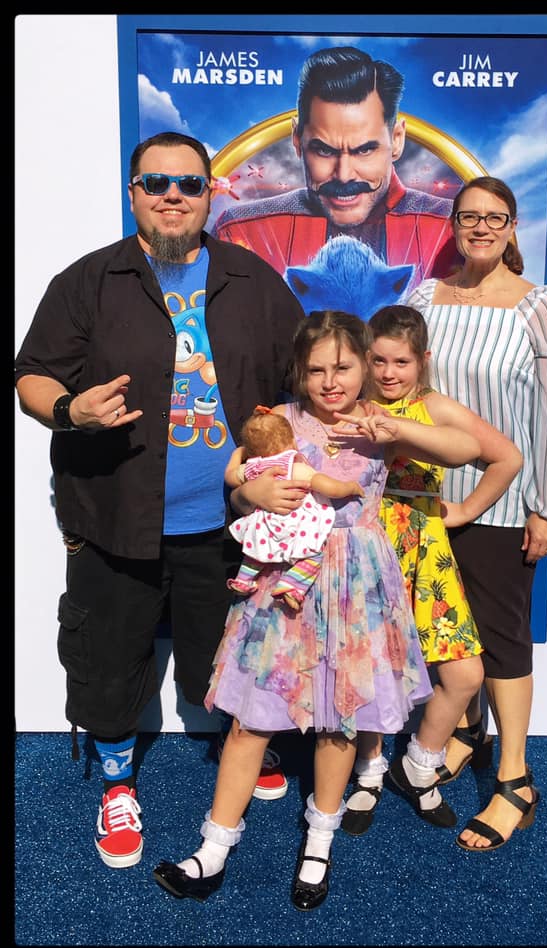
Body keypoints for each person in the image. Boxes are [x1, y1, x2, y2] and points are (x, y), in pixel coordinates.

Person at [14, 131, 306, 870]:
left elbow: (302, 380)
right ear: (134, 193)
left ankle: (247, 747)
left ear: (212, 194)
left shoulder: (252, 279)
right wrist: (69, 411)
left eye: (188, 184)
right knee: (110, 659)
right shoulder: (89, 281)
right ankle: (117, 783)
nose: (173, 195)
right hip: (114, 517)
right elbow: (33, 375)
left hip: (231, 525)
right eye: (156, 183)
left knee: (228, 655)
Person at [151, 310, 483, 910]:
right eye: (317, 370)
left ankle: (319, 846)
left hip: (356, 591)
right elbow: (233, 474)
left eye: (345, 367)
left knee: (340, 722)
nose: (332, 382)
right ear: (299, 373)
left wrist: (394, 433)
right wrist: (250, 492)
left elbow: (468, 449)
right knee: (251, 721)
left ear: (363, 367)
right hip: (282, 587)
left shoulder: (384, 421)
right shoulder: (279, 419)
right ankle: (214, 848)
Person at [406, 175, 547, 851]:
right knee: (450, 637)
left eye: (494, 217)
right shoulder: (424, 298)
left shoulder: (540, 309)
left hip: (506, 505)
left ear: (512, 229)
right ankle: (466, 733)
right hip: (429, 501)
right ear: (453, 224)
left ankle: (514, 779)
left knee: (502, 638)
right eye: (468, 216)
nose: (480, 227)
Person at [340, 304, 523, 836]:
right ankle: (369, 770)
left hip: (426, 545)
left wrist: (465, 511)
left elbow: (505, 457)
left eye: (401, 361)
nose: (388, 372)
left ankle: (419, 764)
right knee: (371, 666)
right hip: (369, 546)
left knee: (465, 673)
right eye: (378, 360)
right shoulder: (350, 404)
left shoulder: (436, 407)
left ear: (423, 360)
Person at [214, 46, 458, 285]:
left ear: (397, 140)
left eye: (364, 150)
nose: (344, 175)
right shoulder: (241, 231)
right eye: (324, 150)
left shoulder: (454, 229)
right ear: (297, 139)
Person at [224, 404, 364, 608]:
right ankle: (291, 585)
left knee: (256, 549)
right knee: (313, 553)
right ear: (291, 441)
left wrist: (238, 453)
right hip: (292, 522)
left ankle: (243, 580)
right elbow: (328, 487)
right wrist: (349, 487)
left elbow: (230, 477)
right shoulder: (294, 466)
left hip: (264, 522)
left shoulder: (252, 467)